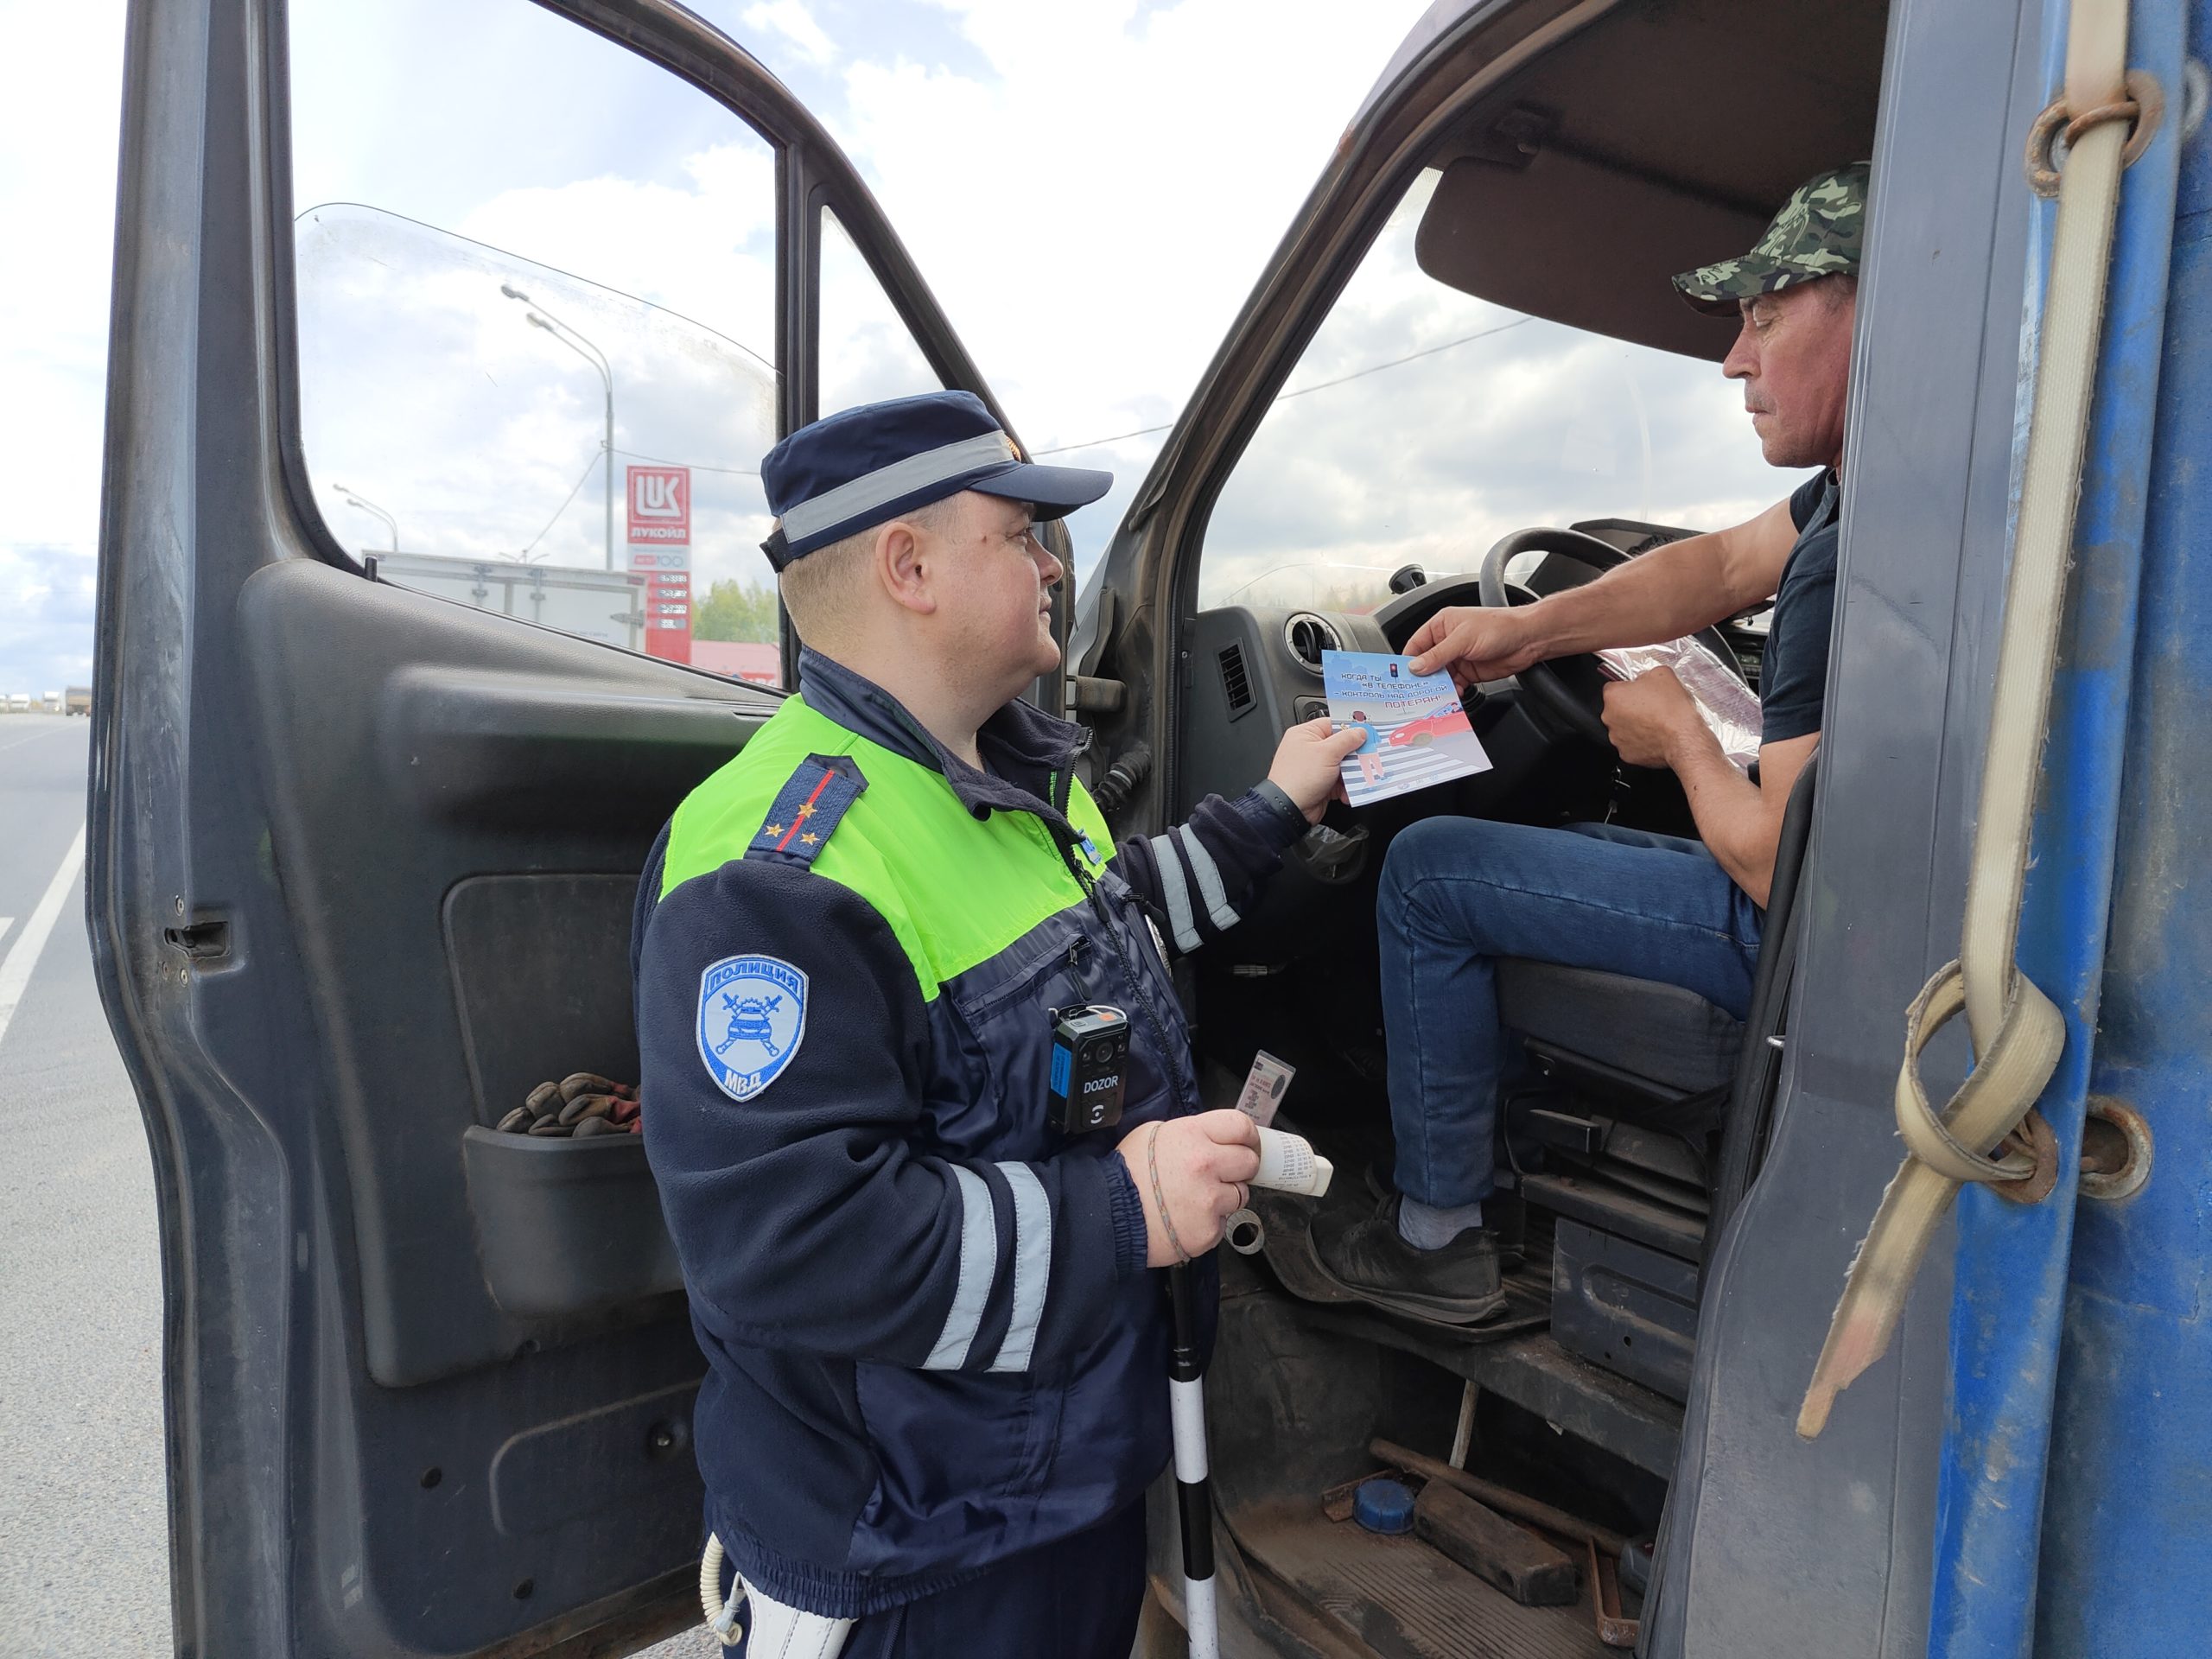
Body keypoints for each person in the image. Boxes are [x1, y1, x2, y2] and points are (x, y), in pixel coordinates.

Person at [632, 389, 1365, 1656]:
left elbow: (1112, 921)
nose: (1049, 561)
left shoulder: (1012, 776)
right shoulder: (779, 869)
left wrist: (1277, 808)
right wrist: (1125, 1212)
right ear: (907, 567)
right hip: (914, 1552)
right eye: (1019, 533)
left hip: (1054, 1485)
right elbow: (795, 1246)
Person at [1317, 163, 1866, 1324]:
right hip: (1873, 926)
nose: (1734, 359)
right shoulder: (1889, 494)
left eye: (1766, 318)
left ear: (1873, 308)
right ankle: (1509, 1145)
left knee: (1426, 873)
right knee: (1565, 836)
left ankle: (1438, 1236)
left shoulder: (1845, 558)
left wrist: (1680, 739)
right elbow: (1715, 568)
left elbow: (1782, 870)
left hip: (1809, 950)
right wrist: (1529, 631)